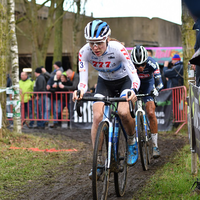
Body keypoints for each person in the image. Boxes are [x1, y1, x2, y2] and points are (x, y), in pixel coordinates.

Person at [72, 19, 140, 179]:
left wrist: (133, 90)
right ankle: (99, 161)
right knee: (97, 116)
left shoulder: (118, 49)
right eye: (91, 43)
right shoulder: (84, 52)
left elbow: (134, 75)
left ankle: (131, 141)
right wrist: (80, 91)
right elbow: (83, 81)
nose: (95, 47)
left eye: (99, 43)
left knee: (124, 112)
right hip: (104, 83)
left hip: (124, 82)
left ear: (107, 39)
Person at [131, 45, 164, 158]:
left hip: (148, 85)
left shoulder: (152, 63)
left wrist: (156, 89)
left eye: (143, 64)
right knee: (128, 114)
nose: (140, 68)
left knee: (150, 112)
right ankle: (131, 142)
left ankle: (155, 146)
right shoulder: (129, 64)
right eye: (137, 65)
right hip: (135, 85)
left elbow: (160, 83)